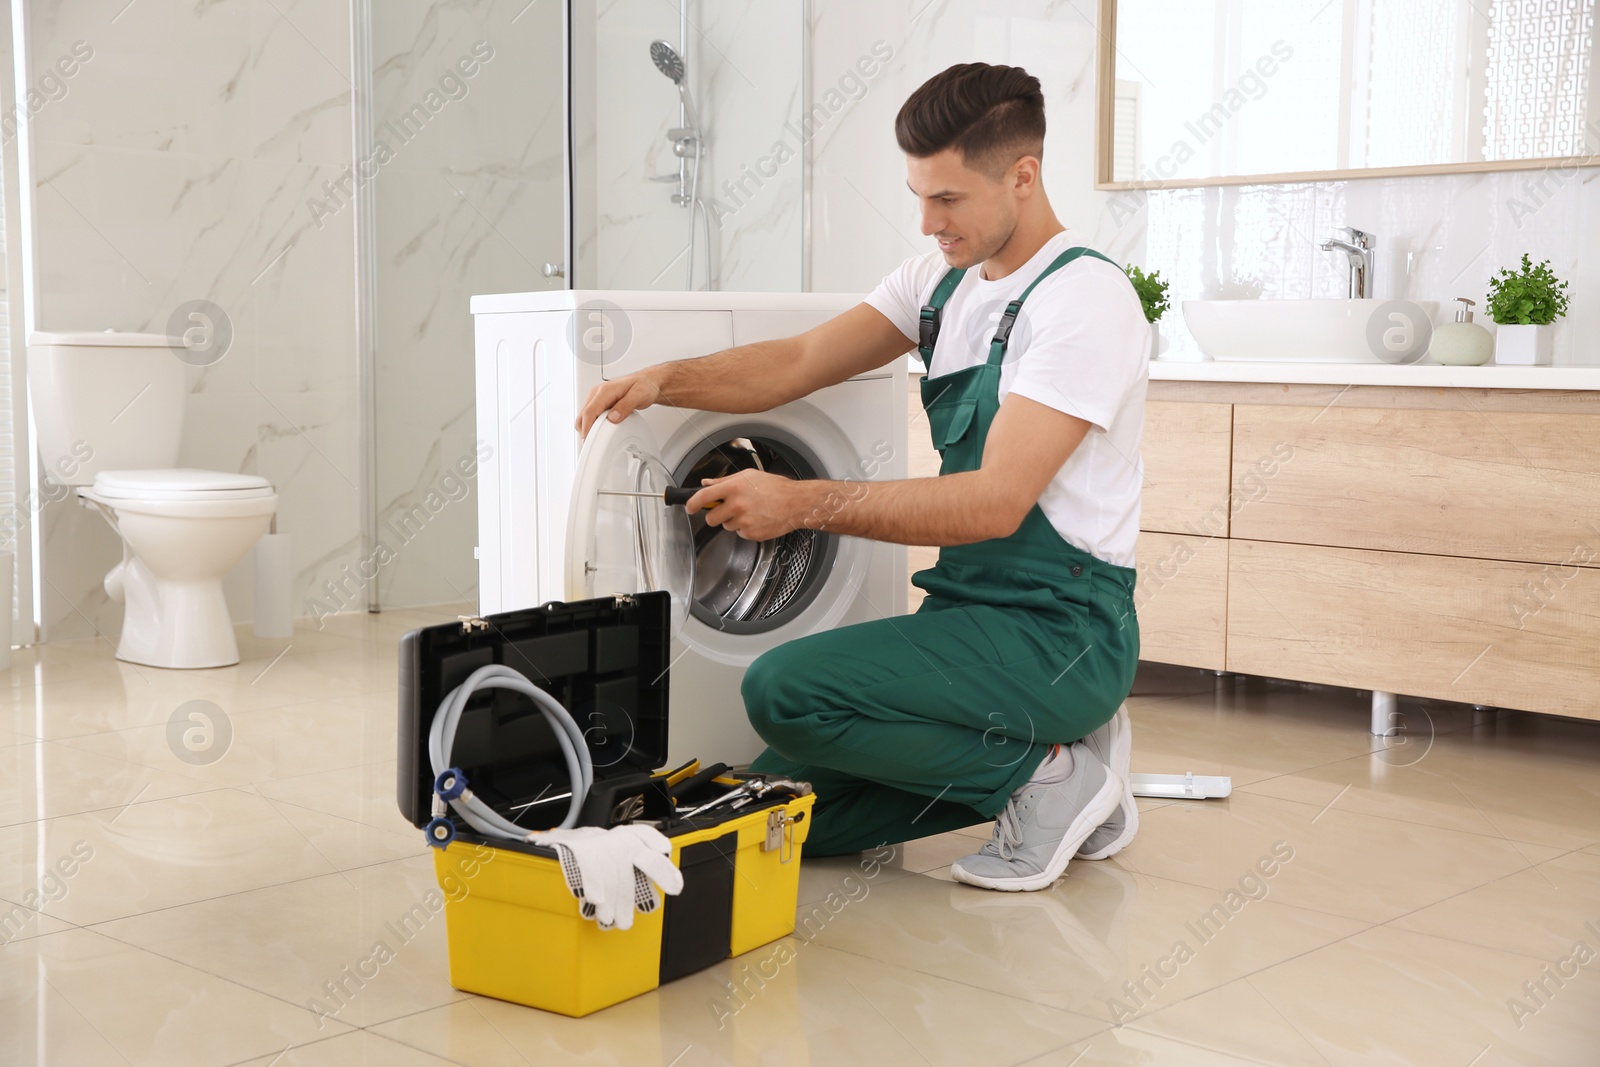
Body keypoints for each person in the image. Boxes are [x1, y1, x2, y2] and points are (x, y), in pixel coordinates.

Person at [576, 62, 1149, 892]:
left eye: (947, 199)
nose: (927, 222)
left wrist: (802, 504)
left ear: (1023, 177)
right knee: (771, 813)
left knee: (785, 691)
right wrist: (668, 378)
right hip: (969, 618)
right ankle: (1060, 767)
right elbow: (802, 360)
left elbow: (994, 501)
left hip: (1061, 635)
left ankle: (1047, 775)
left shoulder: (1084, 300)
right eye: (918, 195)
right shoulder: (939, 285)